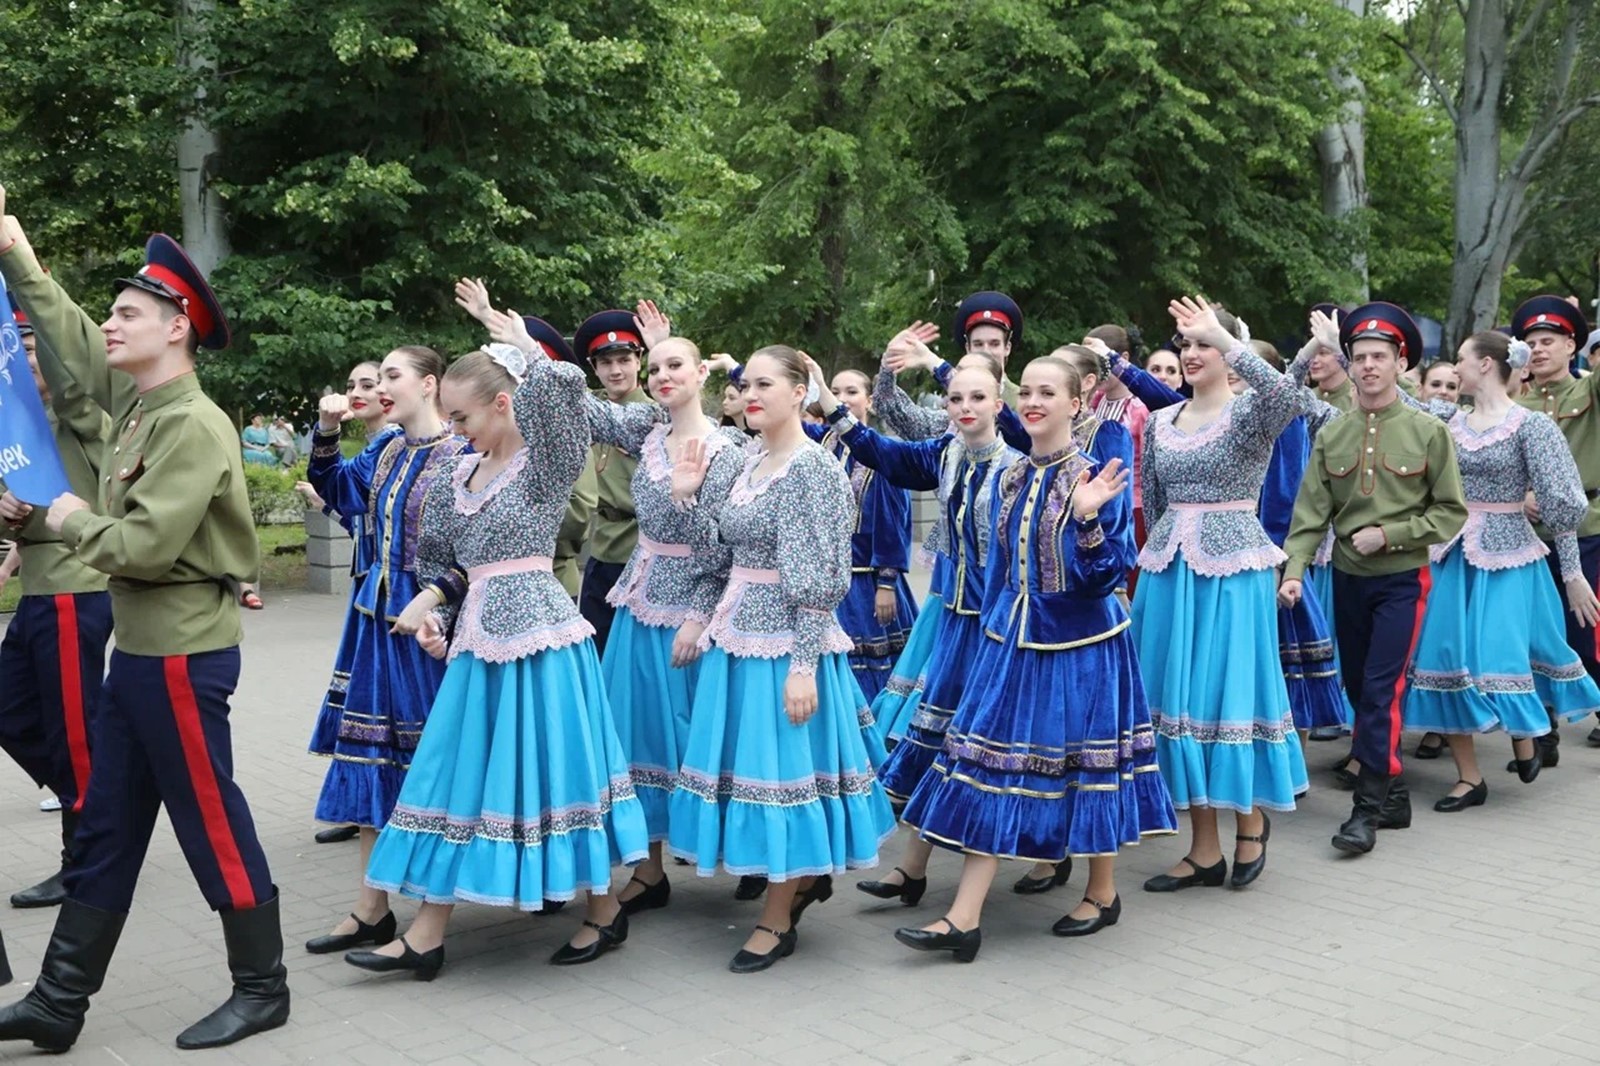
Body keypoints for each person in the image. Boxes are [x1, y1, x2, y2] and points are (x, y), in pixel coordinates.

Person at [0, 227, 287, 1051]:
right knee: (106, 831)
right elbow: (70, 343)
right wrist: (15, 250)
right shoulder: (140, 408)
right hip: (141, 657)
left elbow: (145, 548)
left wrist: (67, 515)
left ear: (178, 327)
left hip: (183, 658)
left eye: (128, 312)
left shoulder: (190, 423)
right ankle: (59, 1001)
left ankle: (263, 988)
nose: (111, 325)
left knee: (211, 820)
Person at [353, 324, 651, 977]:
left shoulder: (544, 465)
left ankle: (602, 910)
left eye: (463, 416)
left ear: (502, 403)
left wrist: (526, 346)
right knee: (457, 773)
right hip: (479, 644)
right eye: (450, 417)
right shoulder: (459, 473)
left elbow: (570, 394)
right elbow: (447, 566)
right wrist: (439, 614)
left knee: (559, 773)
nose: (456, 430)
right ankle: (427, 934)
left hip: (542, 642)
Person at [893, 354, 1174, 961]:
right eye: (1027, 391)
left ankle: (1101, 892)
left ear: (1078, 403)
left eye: (1049, 392)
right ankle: (963, 918)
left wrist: (1089, 520)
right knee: (986, 764)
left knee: (1085, 765)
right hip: (1010, 640)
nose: (1034, 401)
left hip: (1083, 648)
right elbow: (998, 568)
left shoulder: (1101, 473)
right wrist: (989, 634)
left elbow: (1104, 580)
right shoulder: (1013, 476)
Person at [666, 345, 896, 973]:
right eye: (746, 384)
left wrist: (802, 665)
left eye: (766, 383)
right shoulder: (747, 464)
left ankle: (776, 915)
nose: (752, 393)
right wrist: (688, 500)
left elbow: (822, 575)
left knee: (782, 775)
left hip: (784, 646)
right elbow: (719, 557)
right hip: (737, 639)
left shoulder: (811, 468)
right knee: (751, 775)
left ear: (801, 391)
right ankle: (794, 884)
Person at [817, 360, 1023, 908]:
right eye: (956, 399)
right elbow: (883, 454)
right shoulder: (945, 454)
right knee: (933, 736)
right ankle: (912, 869)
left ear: (999, 404)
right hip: (956, 619)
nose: (965, 408)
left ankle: (1048, 856)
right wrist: (832, 405)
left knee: (993, 745)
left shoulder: (1016, 468)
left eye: (978, 397)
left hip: (1002, 626)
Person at [570, 323, 748, 918]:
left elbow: (730, 551)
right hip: (639, 602)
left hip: (701, 611)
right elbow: (580, 406)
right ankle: (648, 872)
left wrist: (699, 619)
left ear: (704, 374)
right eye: (656, 370)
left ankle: (739, 853)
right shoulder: (646, 431)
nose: (662, 377)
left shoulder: (732, 452)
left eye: (677, 367)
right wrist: (520, 342)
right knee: (636, 732)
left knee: (708, 735)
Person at [1131, 298, 1309, 893]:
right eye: (1185, 344)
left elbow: (1291, 397)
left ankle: (1250, 824)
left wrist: (1227, 338)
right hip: (1169, 571)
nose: (1190, 353)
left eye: (1202, 343)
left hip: (1233, 570)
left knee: (1226, 690)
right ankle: (1203, 848)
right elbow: (1154, 501)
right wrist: (1160, 558)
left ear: (1228, 354)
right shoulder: (1160, 421)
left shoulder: (1251, 412)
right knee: (1178, 698)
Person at [1280, 302, 1467, 855]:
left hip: (1402, 578)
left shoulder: (1428, 431)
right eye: (1358, 357)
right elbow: (1310, 512)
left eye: (1378, 357)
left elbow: (1451, 512)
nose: (1367, 366)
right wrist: (1294, 573)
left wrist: (1391, 535)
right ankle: (1396, 793)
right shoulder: (1333, 433)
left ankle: (1365, 811)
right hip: (1346, 577)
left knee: (1381, 691)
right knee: (1360, 688)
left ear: (1399, 362)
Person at [304, 345, 469, 956]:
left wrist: (434, 606)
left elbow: (476, 552)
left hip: (431, 628)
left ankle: (430, 920)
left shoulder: (461, 453)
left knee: (429, 766)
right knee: (371, 759)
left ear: (429, 385)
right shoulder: (389, 449)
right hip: (377, 620)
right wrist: (325, 431)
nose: (378, 386)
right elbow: (337, 492)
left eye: (391, 376)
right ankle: (372, 907)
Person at [1401, 330, 1600, 811]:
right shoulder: (1449, 420)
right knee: (1446, 657)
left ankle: (1527, 735)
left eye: (1463, 359)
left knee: (1499, 654)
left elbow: (1561, 505)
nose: (1455, 368)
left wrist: (1572, 574)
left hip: (1510, 554)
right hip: (1455, 554)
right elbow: (1391, 404)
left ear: (1487, 365)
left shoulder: (1531, 426)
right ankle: (1469, 778)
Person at [0, 282, 112, 914]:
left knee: (74, 735)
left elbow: (74, 376)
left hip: (77, 589)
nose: (31, 358)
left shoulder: (86, 417)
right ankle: (102, 798)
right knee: (13, 709)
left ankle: (87, 863)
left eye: (39, 348)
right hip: (39, 590)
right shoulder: (21, 427)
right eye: (20, 348)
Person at [303, 359, 401, 846]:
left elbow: (345, 493)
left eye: (370, 383)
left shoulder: (396, 442)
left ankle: (380, 808)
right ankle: (365, 805)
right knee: (365, 702)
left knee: (381, 704)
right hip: (371, 585)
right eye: (351, 385)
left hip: (403, 594)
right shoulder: (377, 445)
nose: (357, 392)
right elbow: (348, 501)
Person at [1510, 296, 1600, 749]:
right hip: (1525, 534)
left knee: (1584, 630)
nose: (1539, 349)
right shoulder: (1515, 400)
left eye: (1549, 341)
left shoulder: (1589, 391)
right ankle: (1543, 729)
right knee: (1533, 631)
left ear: (1573, 346)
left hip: (1586, 527)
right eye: (1531, 342)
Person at [815, 366, 918, 702]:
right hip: (828, 578)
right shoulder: (823, 442)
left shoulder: (881, 451)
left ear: (870, 401)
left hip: (866, 583)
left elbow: (893, 521)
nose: (842, 399)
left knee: (870, 671)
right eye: (835, 391)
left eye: (851, 392)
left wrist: (886, 583)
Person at [575, 307, 655, 655]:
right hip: (600, 547)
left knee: (633, 657)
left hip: (642, 549)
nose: (616, 370)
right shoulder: (587, 412)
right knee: (597, 650)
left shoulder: (656, 415)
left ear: (639, 361)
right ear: (594, 368)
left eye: (624, 359)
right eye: (605, 363)